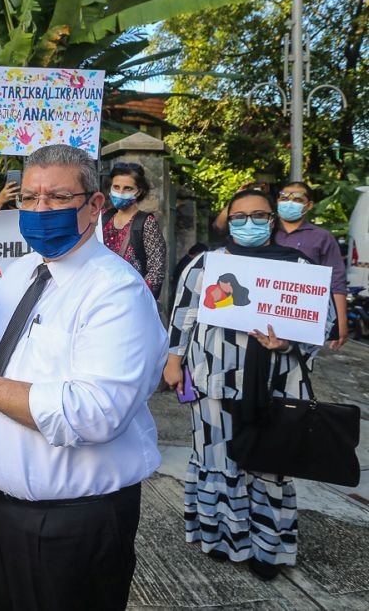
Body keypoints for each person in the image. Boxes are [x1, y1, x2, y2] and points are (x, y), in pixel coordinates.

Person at [0, 145, 167, 610]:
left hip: (71, 525)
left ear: (94, 204)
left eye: (56, 197)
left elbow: (92, 414)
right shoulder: (22, 271)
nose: (39, 210)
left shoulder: (116, 293)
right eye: (28, 198)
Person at [165, 188, 332, 582]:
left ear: (272, 221)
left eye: (259, 216)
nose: (249, 223)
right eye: (239, 216)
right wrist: (174, 361)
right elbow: (183, 312)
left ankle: (267, 548)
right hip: (213, 380)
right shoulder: (207, 263)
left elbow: (320, 322)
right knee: (215, 459)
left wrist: (289, 341)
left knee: (269, 466)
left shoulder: (299, 266)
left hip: (277, 384)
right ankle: (221, 537)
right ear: (228, 220)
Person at [273, 181, 349, 349]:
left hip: (302, 316)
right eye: (284, 197)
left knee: (296, 365)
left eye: (297, 199)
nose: (289, 202)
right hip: (266, 310)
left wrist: (341, 322)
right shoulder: (264, 231)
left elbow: (336, 279)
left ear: (309, 205)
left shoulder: (322, 237)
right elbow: (221, 229)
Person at [102, 162, 166, 299]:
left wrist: (139, 298)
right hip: (100, 297)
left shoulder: (146, 223)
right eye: (116, 187)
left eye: (127, 188)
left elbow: (156, 270)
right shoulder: (103, 218)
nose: (120, 193)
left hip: (130, 299)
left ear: (139, 191)